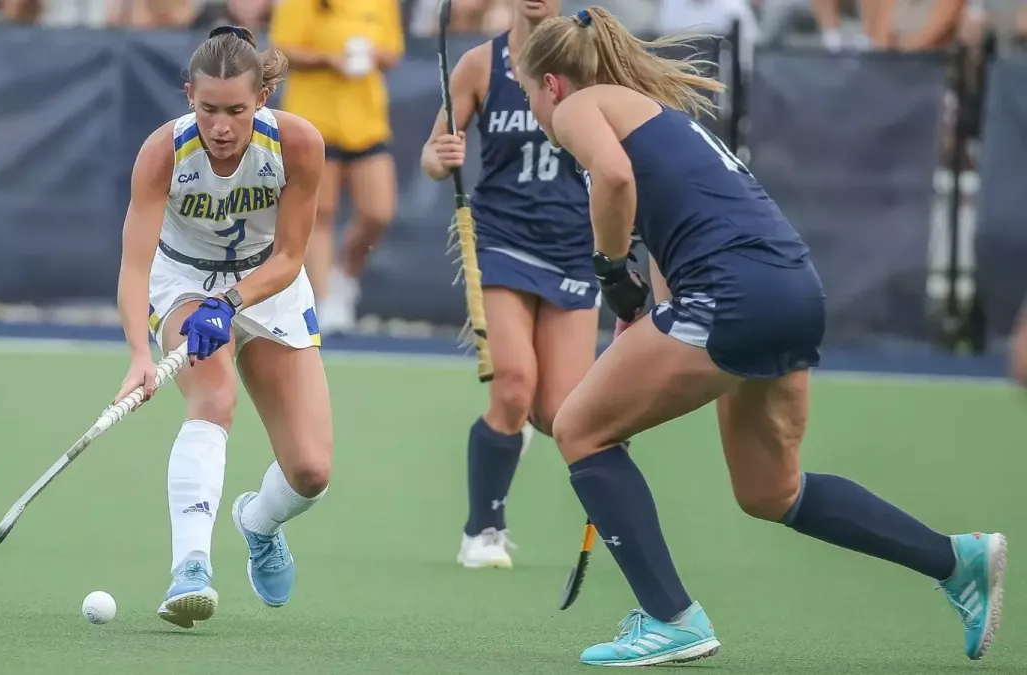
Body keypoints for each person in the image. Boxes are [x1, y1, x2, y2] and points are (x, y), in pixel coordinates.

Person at [515, 6, 1006, 667]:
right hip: (793, 289)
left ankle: (671, 617)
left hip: (735, 295)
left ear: (551, 84)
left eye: (525, 91)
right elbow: (663, 264)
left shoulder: (583, 109)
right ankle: (956, 559)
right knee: (771, 489)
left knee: (577, 428)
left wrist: (609, 273)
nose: (536, 109)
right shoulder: (656, 119)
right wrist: (634, 320)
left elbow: (615, 179)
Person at [113, 25, 331, 629]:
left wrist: (231, 301)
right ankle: (190, 569)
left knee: (311, 472)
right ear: (189, 96)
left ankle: (258, 522)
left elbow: (290, 258)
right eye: (208, 109)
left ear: (262, 98)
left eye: (236, 110)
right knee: (214, 398)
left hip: (270, 285)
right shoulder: (164, 152)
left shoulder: (299, 144)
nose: (222, 127)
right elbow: (134, 267)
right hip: (184, 282)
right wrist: (138, 354)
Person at [420, 0, 599, 570]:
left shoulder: (590, 60)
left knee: (561, 414)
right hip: (500, 241)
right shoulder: (479, 65)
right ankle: (483, 529)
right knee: (514, 385)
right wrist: (439, 155)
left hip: (574, 246)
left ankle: (512, 433)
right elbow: (433, 150)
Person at [268, 0, 405, 334]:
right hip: (314, 121)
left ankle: (343, 275)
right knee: (321, 214)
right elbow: (281, 52)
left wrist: (372, 55)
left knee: (378, 212)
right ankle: (326, 301)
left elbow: (392, 52)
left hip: (366, 121)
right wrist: (329, 59)